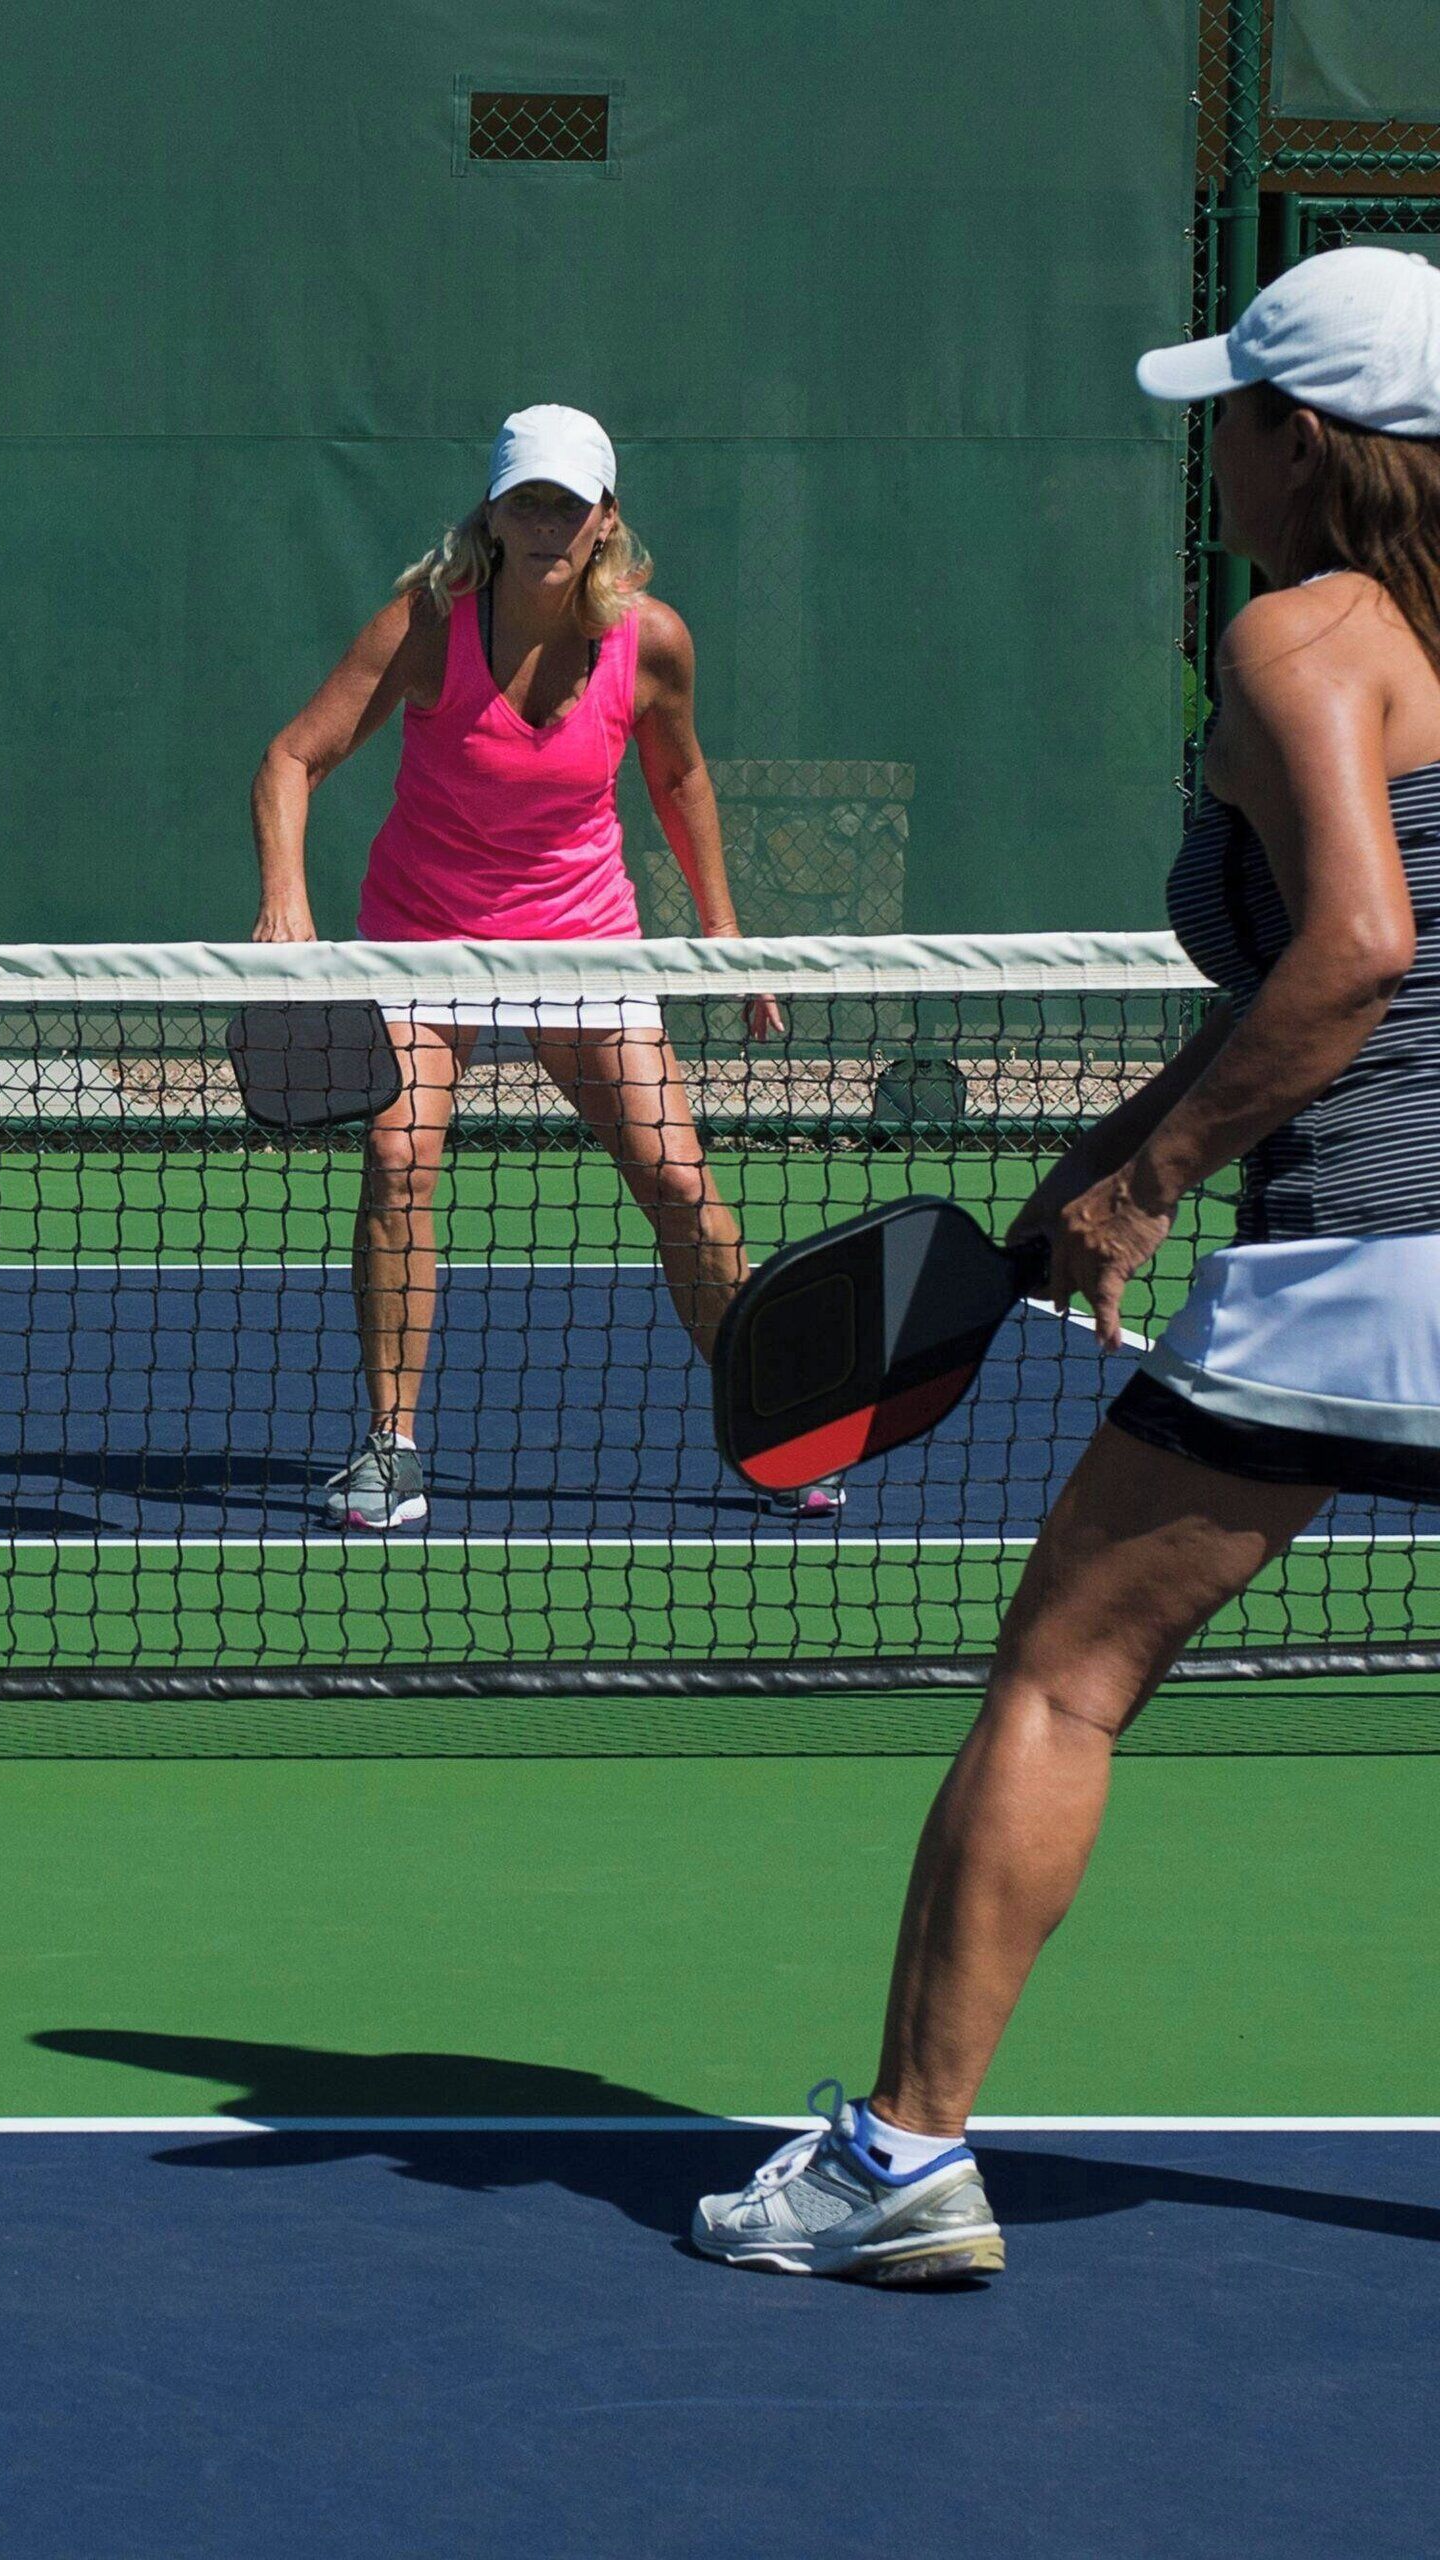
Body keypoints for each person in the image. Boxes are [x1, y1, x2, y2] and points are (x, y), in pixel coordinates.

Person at [693, 245, 1440, 2285]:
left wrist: (1160, 1178)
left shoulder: (1307, 634)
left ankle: (898, 2158)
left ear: (1306, 440)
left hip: (1369, 1267)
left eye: (1236, 421)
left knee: (1066, 1680)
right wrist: (1110, 1159)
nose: (1223, 458)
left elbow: (1363, 947)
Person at [253, 404, 803, 1533]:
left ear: (606, 520)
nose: (548, 522)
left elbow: (682, 780)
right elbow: (291, 760)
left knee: (682, 1187)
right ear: (494, 516)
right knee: (398, 1161)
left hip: (582, 941)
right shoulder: (426, 622)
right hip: (421, 937)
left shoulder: (651, 641)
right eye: (527, 501)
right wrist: (287, 909)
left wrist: (724, 934)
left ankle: (776, 1422)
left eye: (569, 503)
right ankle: (391, 1449)